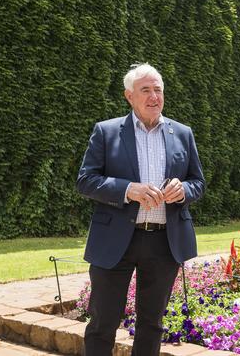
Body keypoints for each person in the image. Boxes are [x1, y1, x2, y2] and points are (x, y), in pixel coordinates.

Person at [76, 63, 205, 356]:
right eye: (145, 90)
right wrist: (127, 189)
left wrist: (183, 190)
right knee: (102, 322)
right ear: (129, 96)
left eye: (158, 89)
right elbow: (86, 180)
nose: (154, 96)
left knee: (152, 324)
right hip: (116, 242)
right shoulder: (107, 132)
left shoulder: (182, 133)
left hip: (164, 241)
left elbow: (198, 182)